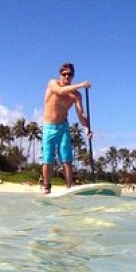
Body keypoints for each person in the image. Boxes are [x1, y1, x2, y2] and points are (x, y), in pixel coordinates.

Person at [41, 62, 92, 194]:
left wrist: (87, 127)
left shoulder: (76, 95)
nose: (67, 77)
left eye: (70, 75)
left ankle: (68, 187)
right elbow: (60, 91)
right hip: (49, 127)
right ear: (60, 75)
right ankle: (47, 187)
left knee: (67, 159)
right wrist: (81, 85)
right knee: (48, 159)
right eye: (64, 74)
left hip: (63, 127)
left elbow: (81, 113)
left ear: (73, 76)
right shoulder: (53, 83)